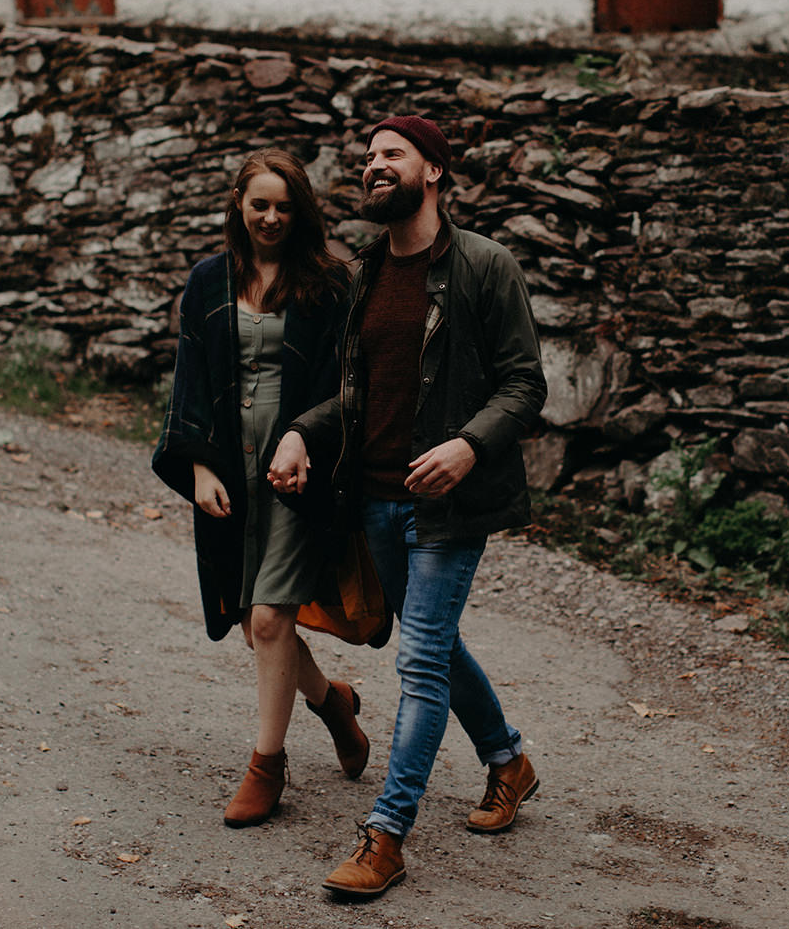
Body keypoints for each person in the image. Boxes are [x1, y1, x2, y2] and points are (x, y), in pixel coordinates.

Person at [268, 115, 548, 899]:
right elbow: (355, 397)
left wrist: (467, 446)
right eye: (369, 158)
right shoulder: (364, 276)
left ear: (434, 172)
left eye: (393, 154)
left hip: (450, 507)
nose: (375, 165)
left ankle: (385, 836)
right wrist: (298, 432)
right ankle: (508, 760)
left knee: (420, 659)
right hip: (377, 503)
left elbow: (525, 384)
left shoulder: (484, 267)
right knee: (436, 645)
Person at [152, 148, 370, 828]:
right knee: (254, 623)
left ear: (299, 211)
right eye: (259, 205)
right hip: (231, 471)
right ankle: (333, 703)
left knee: (273, 618)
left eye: (283, 206)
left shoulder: (330, 285)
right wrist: (197, 468)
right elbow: (188, 380)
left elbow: (349, 387)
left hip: (298, 472)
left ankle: (267, 767)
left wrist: (306, 436)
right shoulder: (209, 279)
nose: (271, 218)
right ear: (238, 207)